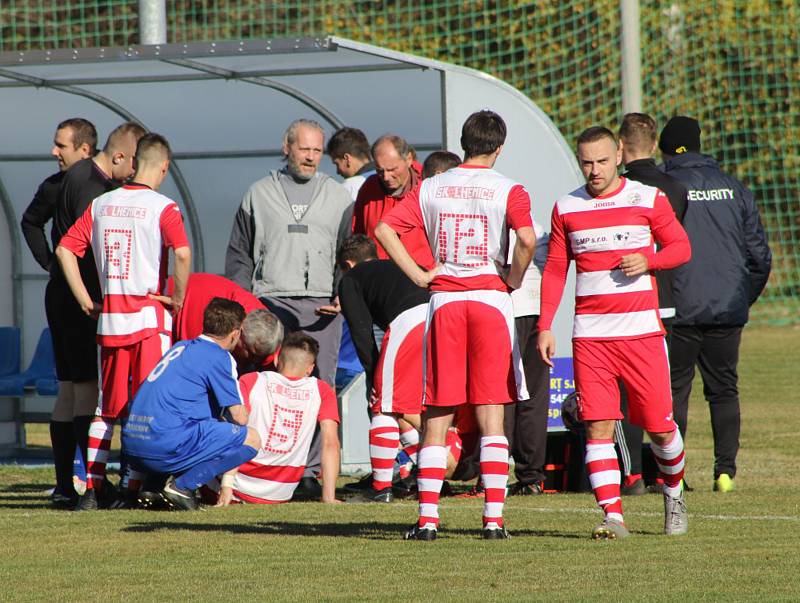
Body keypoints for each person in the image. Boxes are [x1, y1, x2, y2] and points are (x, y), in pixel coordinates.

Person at [376, 110, 536, 540]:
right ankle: (493, 522)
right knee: (491, 413)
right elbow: (526, 239)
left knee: (438, 413)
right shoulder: (509, 188)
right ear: (499, 148)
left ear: (464, 143)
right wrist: (514, 279)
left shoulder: (431, 185)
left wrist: (419, 274)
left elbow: (384, 228)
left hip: (446, 298)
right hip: (489, 298)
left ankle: (428, 521)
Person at [537, 126, 692, 539]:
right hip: (590, 337)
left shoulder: (647, 198)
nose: (594, 170)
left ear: (619, 154)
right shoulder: (567, 206)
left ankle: (673, 492)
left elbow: (681, 247)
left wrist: (649, 261)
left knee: (661, 427)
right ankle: (613, 516)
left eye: (602, 161)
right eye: (586, 162)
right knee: (597, 426)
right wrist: (545, 324)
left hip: (642, 333)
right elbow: (555, 268)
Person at [56, 133, 191, 510]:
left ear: (133, 164)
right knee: (149, 405)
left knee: (106, 407)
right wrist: (178, 297)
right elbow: (181, 252)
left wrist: (86, 300)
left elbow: (65, 249)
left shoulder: (102, 204)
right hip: (149, 319)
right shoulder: (163, 207)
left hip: (112, 320)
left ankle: (92, 490)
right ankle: (133, 486)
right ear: (163, 167)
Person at [659, 116, 772, 493]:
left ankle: (673, 474)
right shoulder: (733, 187)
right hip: (727, 307)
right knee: (724, 389)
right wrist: (741, 295)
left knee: (675, 390)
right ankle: (725, 472)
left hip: (681, 308)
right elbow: (759, 255)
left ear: (665, 148)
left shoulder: (667, 186)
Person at [47, 120, 146, 502]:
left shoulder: (78, 174)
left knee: (69, 388)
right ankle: (92, 484)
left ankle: (62, 486)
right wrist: (89, 300)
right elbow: (76, 247)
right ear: (119, 156)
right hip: (79, 300)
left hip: (61, 295)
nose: (134, 175)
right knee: (88, 388)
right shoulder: (95, 189)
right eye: (133, 164)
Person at [225, 118, 353, 388]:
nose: (310, 157)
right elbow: (240, 254)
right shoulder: (258, 193)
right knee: (265, 381)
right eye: (304, 149)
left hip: (323, 310)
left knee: (320, 384)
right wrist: (244, 305)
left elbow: (348, 251)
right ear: (287, 147)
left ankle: (319, 433)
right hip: (271, 303)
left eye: (317, 151)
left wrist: (343, 293)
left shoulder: (338, 196)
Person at [19, 117, 97, 507]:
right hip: (73, 299)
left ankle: (70, 483)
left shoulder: (97, 185)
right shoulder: (56, 186)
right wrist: (51, 263)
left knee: (73, 387)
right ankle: (79, 482)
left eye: (60, 146)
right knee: (79, 386)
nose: (53, 152)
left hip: (70, 296)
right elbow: (30, 222)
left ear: (84, 149)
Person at [122, 298, 261, 511]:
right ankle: (182, 487)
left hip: (132, 447)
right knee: (252, 439)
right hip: (163, 444)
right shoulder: (219, 356)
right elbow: (240, 417)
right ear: (236, 333)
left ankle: (153, 485)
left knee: (197, 419)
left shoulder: (180, 346)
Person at [615, 112, 689, 495]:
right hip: (666, 302)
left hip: (626, 303)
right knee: (666, 391)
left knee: (623, 395)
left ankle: (632, 477)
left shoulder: (617, 188)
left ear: (620, 146)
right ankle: (670, 472)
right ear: (656, 142)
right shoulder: (675, 188)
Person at [337, 235, 430, 503]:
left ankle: (380, 488)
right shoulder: (391, 267)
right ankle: (424, 473)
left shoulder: (351, 279)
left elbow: (361, 331)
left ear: (348, 264)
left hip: (408, 322)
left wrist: (373, 376)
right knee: (404, 404)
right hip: (437, 318)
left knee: (382, 405)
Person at [214, 332, 341, 505]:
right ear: (310, 368)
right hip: (279, 493)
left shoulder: (251, 381)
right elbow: (330, 443)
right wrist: (329, 497)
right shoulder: (322, 390)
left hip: (235, 484)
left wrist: (227, 484)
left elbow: (236, 432)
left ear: (276, 360)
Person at [505, 221, 551, 496]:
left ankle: (493, 472)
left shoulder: (496, 211)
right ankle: (531, 476)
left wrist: (512, 282)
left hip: (506, 308)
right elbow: (548, 263)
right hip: (536, 308)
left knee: (500, 395)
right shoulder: (536, 222)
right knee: (533, 394)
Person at [158, 273, 283, 370]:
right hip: (167, 306)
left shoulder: (267, 331)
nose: (254, 361)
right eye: (250, 354)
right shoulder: (213, 326)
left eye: (259, 357)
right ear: (238, 333)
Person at [353, 134, 433, 267]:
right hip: (378, 278)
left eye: (392, 169)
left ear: (408, 159)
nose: (386, 176)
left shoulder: (428, 188)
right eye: (380, 170)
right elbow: (358, 237)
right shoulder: (368, 189)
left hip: (420, 279)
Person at [327, 127, 375, 200]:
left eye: (337, 164)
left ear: (347, 158)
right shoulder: (387, 178)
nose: (337, 172)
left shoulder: (351, 186)